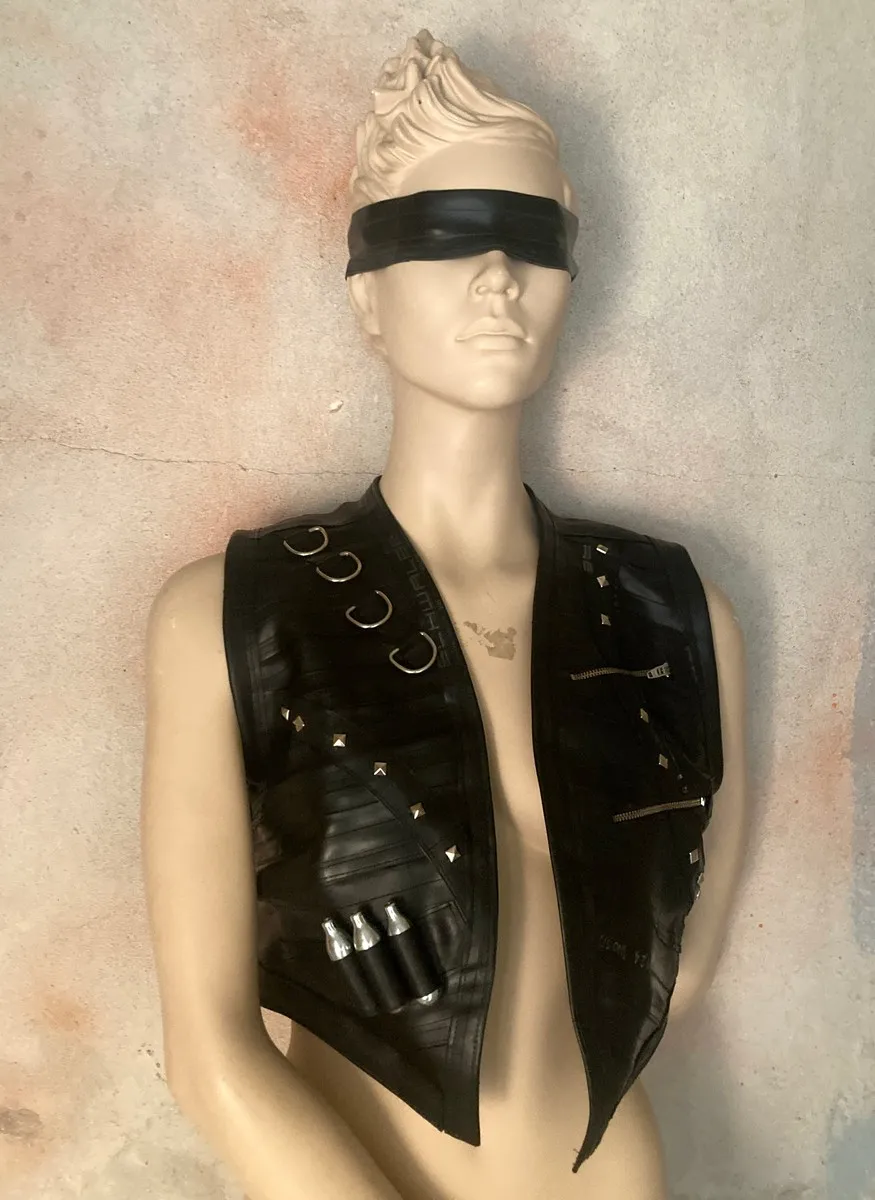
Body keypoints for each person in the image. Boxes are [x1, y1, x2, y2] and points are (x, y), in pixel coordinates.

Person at [140, 29, 747, 1200]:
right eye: (445, 234)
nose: (497, 276)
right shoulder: (230, 619)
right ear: (366, 295)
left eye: (532, 238)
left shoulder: (681, 619)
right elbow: (210, 1052)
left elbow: (673, 976)